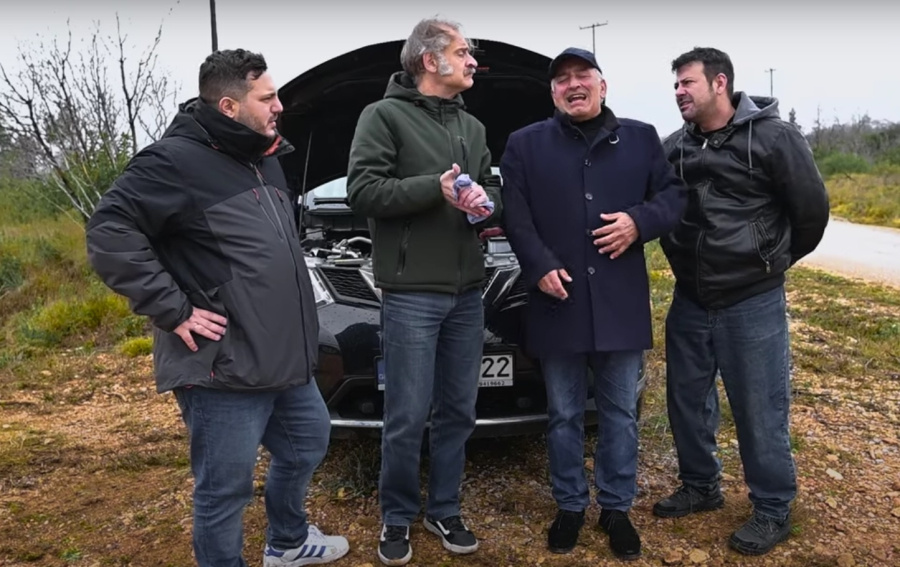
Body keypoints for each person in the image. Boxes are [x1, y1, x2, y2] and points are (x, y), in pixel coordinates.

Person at [85, 49, 349, 567]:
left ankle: (288, 542)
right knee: (225, 489)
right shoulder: (172, 162)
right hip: (222, 362)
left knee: (306, 444)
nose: (279, 106)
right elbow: (108, 231)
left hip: (281, 356)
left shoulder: (264, 158)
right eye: (267, 98)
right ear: (229, 106)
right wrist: (173, 309)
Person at [499, 47, 687, 561]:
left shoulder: (642, 138)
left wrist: (638, 223)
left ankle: (616, 507)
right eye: (562, 79)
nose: (573, 84)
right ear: (553, 93)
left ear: (603, 86)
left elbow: (673, 198)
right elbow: (516, 215)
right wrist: (538, 266)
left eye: (583, 75)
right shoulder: (524, 144)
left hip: (618, 301)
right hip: (556, 300)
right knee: (562, 414)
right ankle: (570, 505)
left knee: (620, 413)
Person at [653, 46, 830, 556]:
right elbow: (658, 205)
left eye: (687, 82)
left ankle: (773, 507)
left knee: (758, 406)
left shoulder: (774, 138)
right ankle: (700, 485)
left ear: (720, 83)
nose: (679, 92)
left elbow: (811, 213)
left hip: (751, 300)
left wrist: (769, 261)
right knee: (686, 400)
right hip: (690, 297)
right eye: (675, 85)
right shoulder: (674, 147)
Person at [345, 17, 501, 567]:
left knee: (459, 410)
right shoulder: (382, 116)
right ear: (430, 60)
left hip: (469, 291)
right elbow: (364, 190)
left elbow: (492, 185)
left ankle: (445, 509)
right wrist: (433, 189)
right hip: (411, 291)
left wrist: (486, 204)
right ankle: (396, 514)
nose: (472, 60)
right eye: (463, 51)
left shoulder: (473, 126)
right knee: (407, 414)